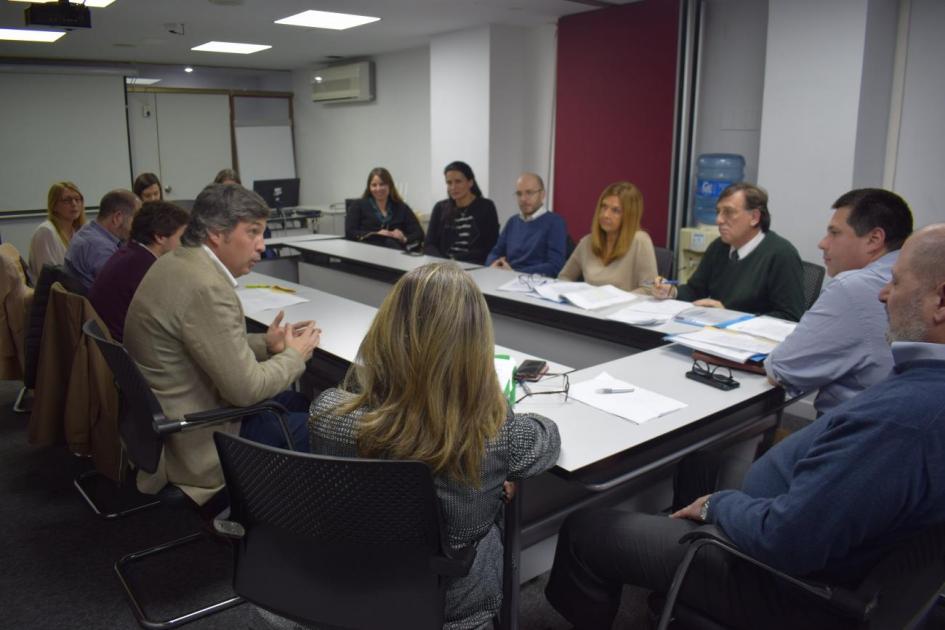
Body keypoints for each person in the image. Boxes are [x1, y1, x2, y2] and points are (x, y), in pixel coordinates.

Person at [545, 224, 945, 630]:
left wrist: (716, 506)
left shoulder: (906, 420)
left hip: (776, 577)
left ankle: (691, 581)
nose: (882, 293)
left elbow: (788, 539)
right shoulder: (923, 389)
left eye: (895, 281)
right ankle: (677, 598)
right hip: (800, 523)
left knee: (585, 530)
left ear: (940, 301)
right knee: (700, 462)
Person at [309, 262, 560, 629]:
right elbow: (548, 437)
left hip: (350, 584)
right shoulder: (492, 434)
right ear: (474, 346)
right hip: (452, 601)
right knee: (493, 514)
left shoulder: (325, 413)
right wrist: (495, 416)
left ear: (387, 329)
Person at [123, 183, 320, 506]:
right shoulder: (207, 287)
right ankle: (298, 522)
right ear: (216, 233)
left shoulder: (174, 263)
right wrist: (295, 356)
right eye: (253, 232)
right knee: (330, 428)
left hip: (171, 423)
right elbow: (246, 391)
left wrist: (266, 344)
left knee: (297, 402)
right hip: (204, 440)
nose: (261, 246)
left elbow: (203, 344)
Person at [766, 188, 913, 415]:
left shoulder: (854, 286)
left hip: (852, 432)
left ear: (874, 239)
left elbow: (782, 370)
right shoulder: (919, 275)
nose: (823, 243)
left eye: (834, 233)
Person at [653, 182, 805, 321]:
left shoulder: (782, 255)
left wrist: (729, 317)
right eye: (718, 212)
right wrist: (671, 291)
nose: (718, 220)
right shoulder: (719, 247)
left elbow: (789, 318)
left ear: (754, 217)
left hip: (753, 345)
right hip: (714, 333)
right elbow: (695, 290)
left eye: (728, 212)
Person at [88, 201, 190, 342]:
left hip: (114, 345)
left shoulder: (130, 252)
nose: (185, 244)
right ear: (160, 237)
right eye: (182, 238)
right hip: (129, 352)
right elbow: (172, 320)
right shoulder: (146, 268)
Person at [557, 181, 657, 291]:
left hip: (623, 307)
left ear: (630, 215)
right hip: (588, 306)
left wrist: (619, 299)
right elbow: (564, 277)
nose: (606, 215)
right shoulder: (587, 242)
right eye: (604, 207)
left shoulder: (640, 240)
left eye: (615, 210)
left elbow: (649, 288)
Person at [486, 172, 567, 276]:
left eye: (529, 193)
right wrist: (493, 265)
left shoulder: (555, 222)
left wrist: (514, 273)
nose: (523, 199)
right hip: (505, 278)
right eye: (519, 194)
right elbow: (495, 253)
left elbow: (555, 266)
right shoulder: (512, 221)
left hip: (533, 284)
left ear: (542, 194)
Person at [424, 161, 499, 264]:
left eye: (458, 181)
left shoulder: (486, 207)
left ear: (470, 182)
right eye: (449, 183)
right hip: (443, 266)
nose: (453, 187)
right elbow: (429, 244)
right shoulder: (440, 208)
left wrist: (455, 259)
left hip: (474, 265)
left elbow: (491, 246)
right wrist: (441, 261)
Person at [64, 189, 140, 289]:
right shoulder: (100, 249)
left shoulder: (89, 229)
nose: (139, 225)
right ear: (117, 217)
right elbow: (124, 289)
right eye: (136, 219)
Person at [345, 167, 424, 249]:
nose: (378, 188)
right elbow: (350, 232)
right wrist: (375, 234)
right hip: (367, 253)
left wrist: (404, 238)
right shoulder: (358, 205)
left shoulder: (402, 207)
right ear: (369, 187)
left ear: (390, 185)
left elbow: (419, 233)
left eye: (382, 184)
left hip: (396, 254)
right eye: (374, 185)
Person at [29, 181, 87, 281]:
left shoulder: (77, 231)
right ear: (54, 206)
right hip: (53, 293)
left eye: (77, 199)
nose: (74, 204)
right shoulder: (46, 231)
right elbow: (48, 277)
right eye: (67, 200)